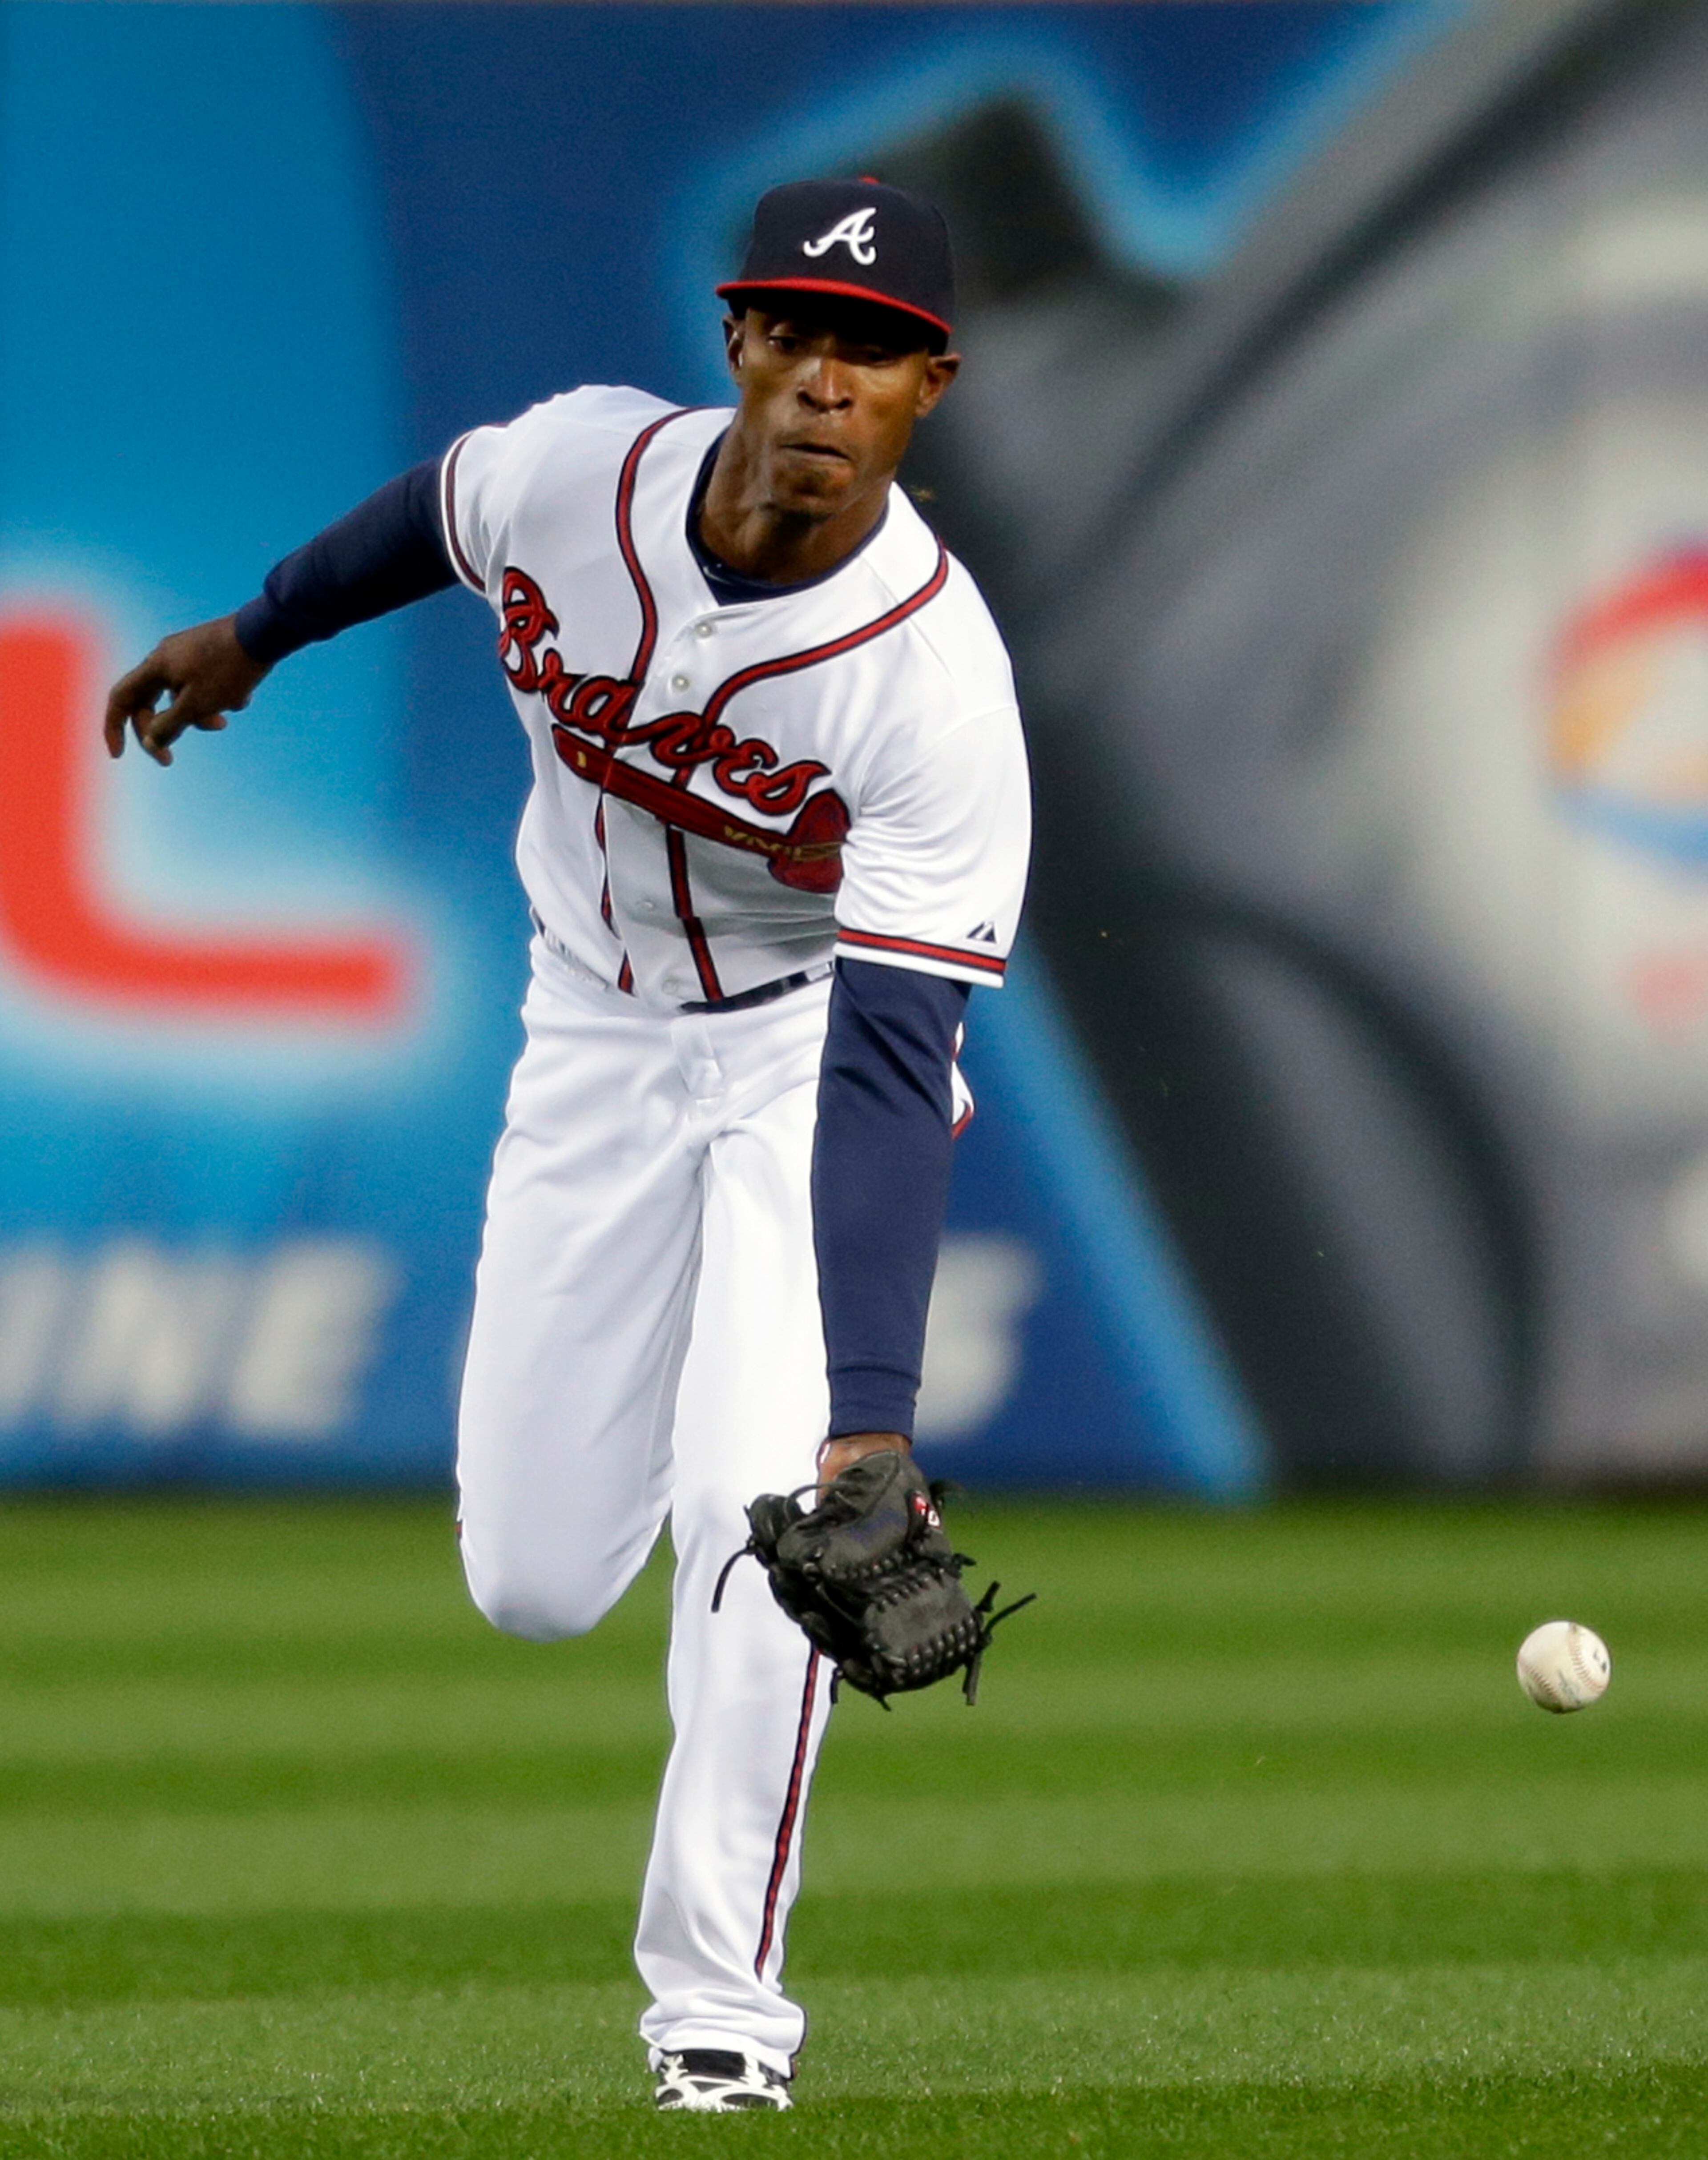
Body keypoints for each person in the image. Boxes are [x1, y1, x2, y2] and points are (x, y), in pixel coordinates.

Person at [104, 177, 1030, 2113]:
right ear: (739, 340)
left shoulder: (931, 684)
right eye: (796, 331)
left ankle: (718, 2020)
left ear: (929, 384)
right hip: (591, 1030)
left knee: (763, 1531)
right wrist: (257, 632)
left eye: (871, 349)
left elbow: (889, 1054)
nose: (823, 379)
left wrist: (868, 1423)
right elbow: (436, 508)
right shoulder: (579, 475)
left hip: (798, 1061)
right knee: (530, 1576)